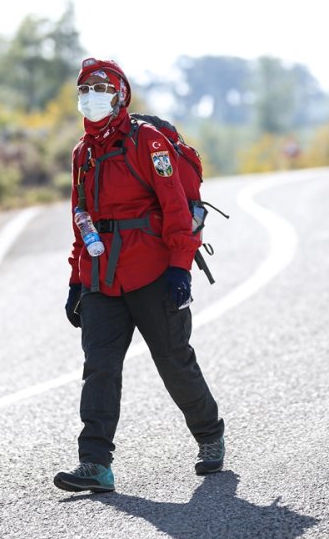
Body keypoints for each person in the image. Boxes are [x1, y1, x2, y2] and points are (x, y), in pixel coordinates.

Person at [53, 57, 225, 494]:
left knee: (173, 360)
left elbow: (175, 208)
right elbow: (80, 219)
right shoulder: (82, 154)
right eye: (84, 89)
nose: (91, 97)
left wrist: (179, 268)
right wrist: (76, 280)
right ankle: (95, 464)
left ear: (120, 96)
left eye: (101, 89)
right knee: (99, 368)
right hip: (102, 277)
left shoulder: (147, 142)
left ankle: (210, 435)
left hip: (154, 272)